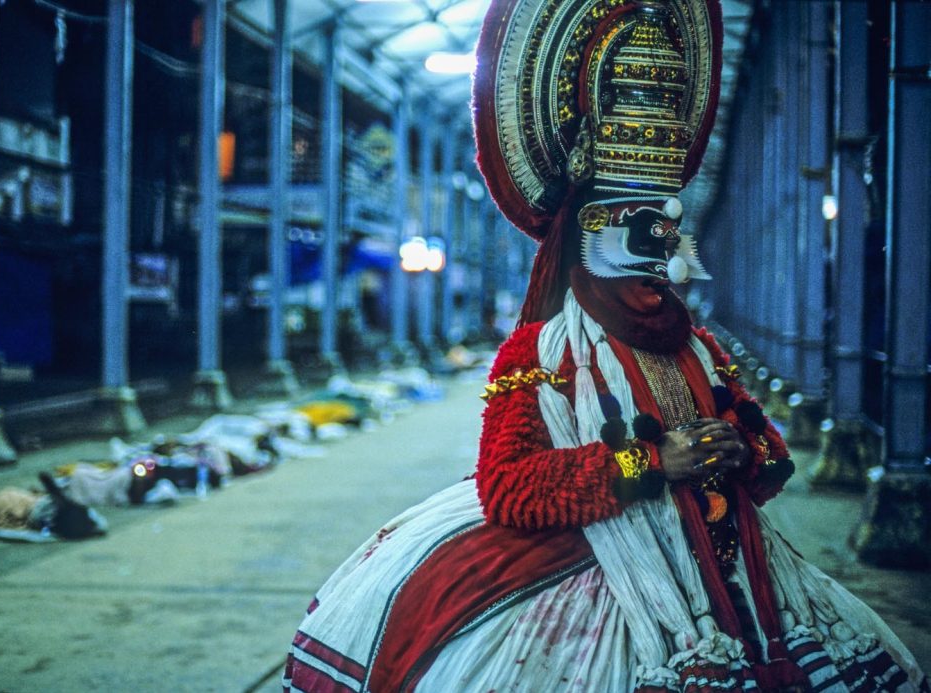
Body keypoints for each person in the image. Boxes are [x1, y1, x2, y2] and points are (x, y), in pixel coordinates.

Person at [282, 0, 930, 690]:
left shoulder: (702, 350)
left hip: (741, 584)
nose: (662, 251)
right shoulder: (542, 354)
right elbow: (509, 488)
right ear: (585, 230)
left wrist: (743, 450)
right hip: (614, 582)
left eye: (667, 226)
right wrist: (650, 460)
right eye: (635, 224)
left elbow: (770, 460)